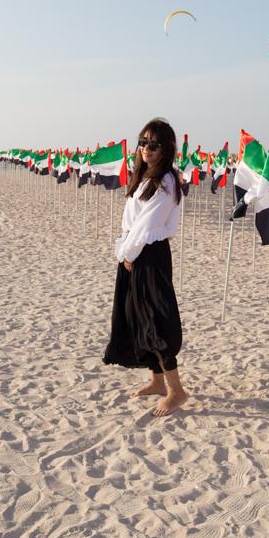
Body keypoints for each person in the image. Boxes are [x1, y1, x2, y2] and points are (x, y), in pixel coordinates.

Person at [104, 118, 189, 416]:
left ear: (166, 149)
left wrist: (127, 252)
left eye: (153, 145)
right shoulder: (145, 178)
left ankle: (176, 390)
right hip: (134, 251)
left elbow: (146, 226)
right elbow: (132, 223)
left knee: (157, 320)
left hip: (148, 254)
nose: (146, 150)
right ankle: (157, 380)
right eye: (142, 143)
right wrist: (125, 251)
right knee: (138, 317)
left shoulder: (165, 182)